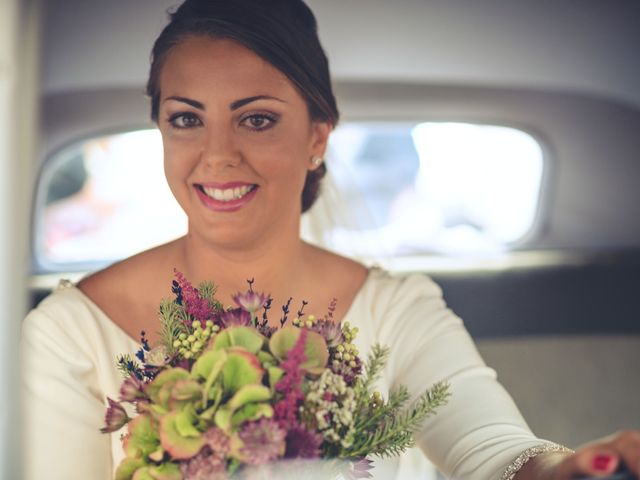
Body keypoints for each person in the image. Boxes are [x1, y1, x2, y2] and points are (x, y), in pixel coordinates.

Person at [21, 0, 640, 479]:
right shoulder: (71, 332)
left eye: (256, 119)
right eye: (186, 119)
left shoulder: (396, 311)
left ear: (318, 137)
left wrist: (569, 471)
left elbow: (496, 452)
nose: (217, 155)